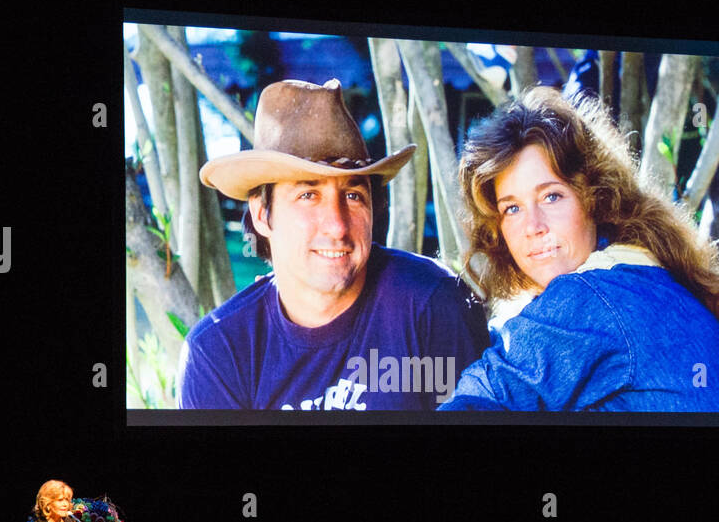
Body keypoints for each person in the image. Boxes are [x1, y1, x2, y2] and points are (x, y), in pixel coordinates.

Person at [439, 86, 719, 412]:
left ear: (594, 198)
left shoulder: (593, 296)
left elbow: (474, 403)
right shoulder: (641, 275)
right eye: (512, 209)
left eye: (551, 196)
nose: (533, 227)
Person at [178, 78, 489, 410]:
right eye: (308, 195)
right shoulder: (219, 353)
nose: (338, 225)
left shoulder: (431, 305)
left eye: (353, 196)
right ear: (262, 214)